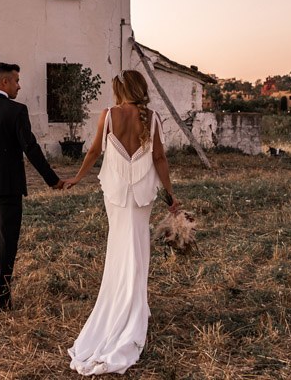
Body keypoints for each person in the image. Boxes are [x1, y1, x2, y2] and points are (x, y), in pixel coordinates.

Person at [64, 69, 180, 375]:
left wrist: (77, 177)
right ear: (140, 89)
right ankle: (133, 311)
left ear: (120, 90)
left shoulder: (108, 115)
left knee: (120, 246)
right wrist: (170, 194)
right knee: (137, 248)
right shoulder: (152, 117)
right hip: (142, 193)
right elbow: (159, 159)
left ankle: (124, 306)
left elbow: (93, 150)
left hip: (116, 193)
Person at [0, 62, 63, 310]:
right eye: (17, 80)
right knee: (7, 240)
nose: (19, 85)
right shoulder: (17, 111)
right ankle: (2, 295)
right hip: (9, 186)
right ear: (4, 82)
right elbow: (31, 148)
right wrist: (52, 179)